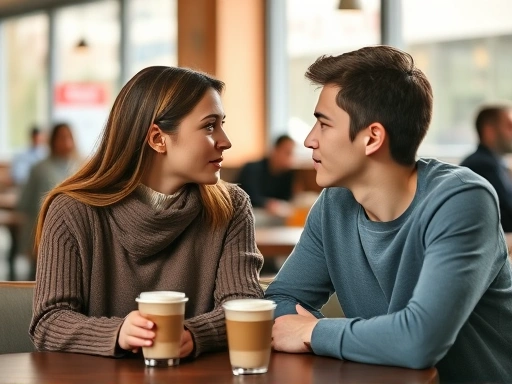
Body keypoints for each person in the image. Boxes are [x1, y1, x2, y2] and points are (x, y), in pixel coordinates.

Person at [264, 46, 512, 383]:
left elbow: (419, 342)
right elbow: (280, 300)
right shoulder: (334, 204)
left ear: (372, 138)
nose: (309, 140)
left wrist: (313, 332)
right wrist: (321, 335)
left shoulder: (463, 199)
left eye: (323, 124)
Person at [29, 66, 264, 360]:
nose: (225, 140)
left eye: (221, 124)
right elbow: (49, 321)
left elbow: (244, 304)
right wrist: (118, 333)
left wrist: (194, 334)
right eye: (209, 126)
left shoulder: (231, 206)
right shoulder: (72, 211)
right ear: (157, 138)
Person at [17, 122, 80, 277]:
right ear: (52, 141)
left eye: (68, 138)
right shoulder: (39, 169)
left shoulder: (80, 168)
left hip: (73, 234)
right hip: (41, 231)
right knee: (38, 278)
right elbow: (24, 204)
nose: (66, 142)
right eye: (61, 138)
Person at [460, 105, 512, 232]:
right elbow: (506, 218)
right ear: (489, 131)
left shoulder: (496, 163)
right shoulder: (482, 165)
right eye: (509, 126)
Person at [236, 134, 297, 218]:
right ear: (275, 150)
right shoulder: (252, 169)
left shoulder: (288, 174)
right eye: (287, 153)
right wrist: (267, 204)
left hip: (273, 216)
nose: (290, 158)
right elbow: (249, 196)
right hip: (247, 212)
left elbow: (287, 199)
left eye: (292, 154)